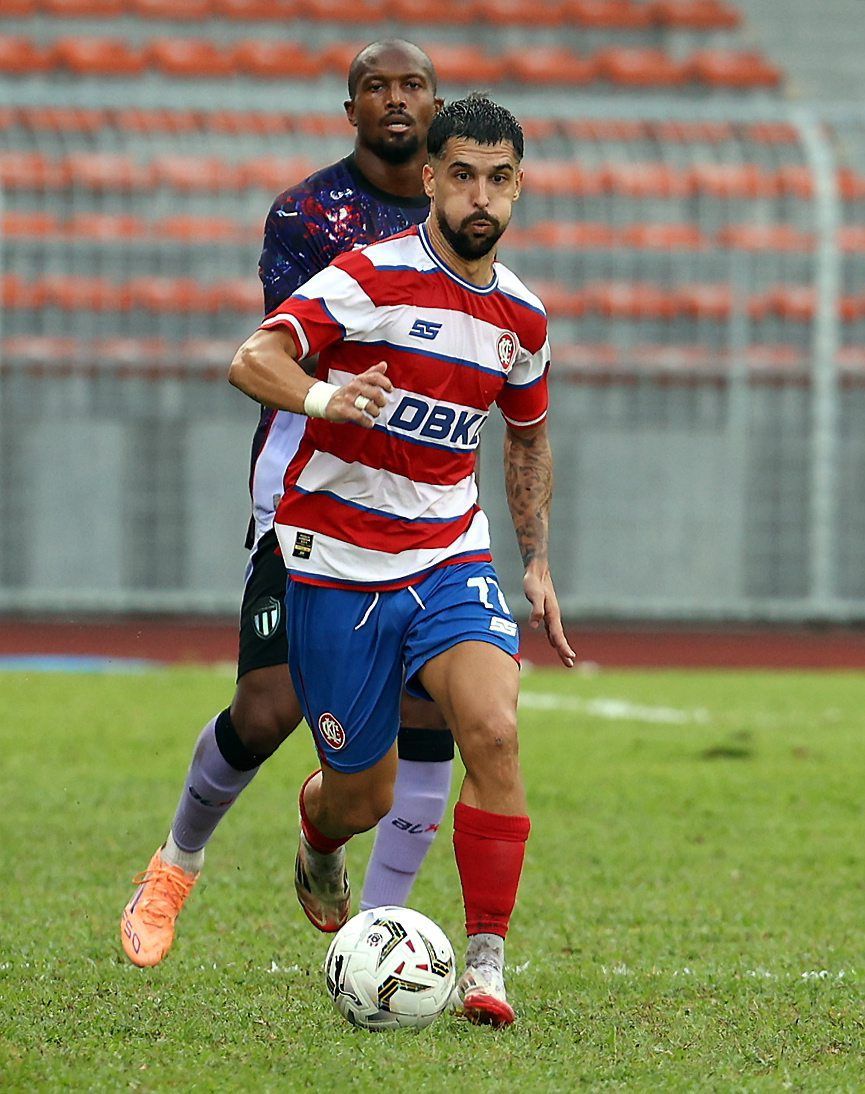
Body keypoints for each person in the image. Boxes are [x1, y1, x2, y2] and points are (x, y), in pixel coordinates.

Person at [228, 94, 575, 1027]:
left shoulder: (523, 316)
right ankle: (318, 833)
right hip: (336, 562)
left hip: (449, 555)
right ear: (429, 178)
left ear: (518, 188)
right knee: (361, 797)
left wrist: (535, 563)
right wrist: (326, 399)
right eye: (461, 175)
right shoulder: (369, 276)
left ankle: (486, 966)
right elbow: (252, 359)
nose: (479, 197)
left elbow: (526, 439)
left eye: (498, 179)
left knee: (493, 731)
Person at [121, 39, 455, 969]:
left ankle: (367, 917)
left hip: (419, 500)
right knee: (269, 709)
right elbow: (290, 345)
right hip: (310, 490)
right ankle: (174, 865)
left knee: (433, 714)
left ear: (436, 105)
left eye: (412, 85)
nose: (396, 99)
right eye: (376, 87)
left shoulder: (458, 212)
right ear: (351, 110)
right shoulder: (310, 212)